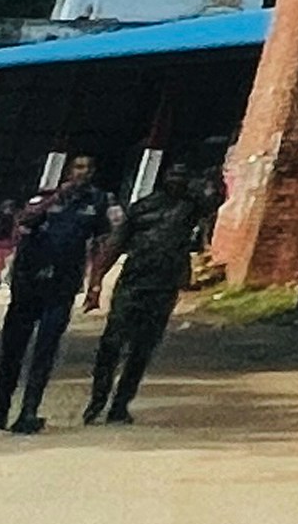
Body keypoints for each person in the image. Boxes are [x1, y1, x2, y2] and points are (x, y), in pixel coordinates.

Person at [0, 158, 114, 434]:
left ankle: (29, 411)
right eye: (78, 168)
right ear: (68, 171)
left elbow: (100, 244)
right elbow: (22, 222)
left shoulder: (99, 202)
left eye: (88, 168)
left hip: (62, 285)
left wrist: (95, 285)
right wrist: (55, 198)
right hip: (28, 282)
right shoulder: (43, 196)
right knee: (12, 350)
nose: (83, 173)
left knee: (45, 349)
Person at [81, 164, 214, 426]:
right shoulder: (142, 208)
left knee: (141, 350)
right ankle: (97, 400)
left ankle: (120, 405)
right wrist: (95, 283)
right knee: (111, 345)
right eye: (173, 175)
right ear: (164, 177)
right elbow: (114, 245)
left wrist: (210, 180)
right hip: (133, 283)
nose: (177, 180)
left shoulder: (191, 207)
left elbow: (214, 200)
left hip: (164, 287)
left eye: (182, 176)